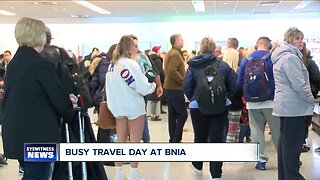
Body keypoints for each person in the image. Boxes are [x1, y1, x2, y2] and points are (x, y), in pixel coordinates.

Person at [1, 17, 78, 180]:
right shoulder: (41, 64)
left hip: (15, 130)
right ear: (39, 35)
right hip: (37, 134)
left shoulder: (14, 64)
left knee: (31, 174)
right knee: (38, 176)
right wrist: (69, 105)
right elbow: (58, 99)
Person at [183, 37, 237, 179]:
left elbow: (186, 86)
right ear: (214, 49)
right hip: (220, 107)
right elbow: (234, 85)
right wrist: (224, 97)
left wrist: (196, 98)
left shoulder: (192, 65)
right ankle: (216, 174)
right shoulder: (223, 65)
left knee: (199, 137)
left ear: (201, 49)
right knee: (217, 139)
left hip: (197, 107)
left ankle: (198, 167)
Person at [106, 35, 156, 180]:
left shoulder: (112, 65)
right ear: (128, 48)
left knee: (120, 141)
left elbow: (108, 87)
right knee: (135, 142)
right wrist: (152, 86)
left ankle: (119, 174)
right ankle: (134, 174)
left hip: (117, 107)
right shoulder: (131, 64)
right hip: (134, 107)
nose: (137, 49)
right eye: (134, 46)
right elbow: (142, 86)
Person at [271, 27, 314, 180]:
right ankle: (292, 177)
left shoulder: (282, 57)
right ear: (289, 40)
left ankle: (285, 176)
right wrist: (312, 100)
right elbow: (299, 85)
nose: (300, 41)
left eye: (301, 38)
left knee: (285, 144)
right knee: (292, 147)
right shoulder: (291, 58)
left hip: (287, 107)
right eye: (297, 38)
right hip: (293, 108)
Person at [238, 36, 280, 170]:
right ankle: (284, 159)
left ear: (257, 45)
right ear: (269, 45)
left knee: (256, 132)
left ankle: (261, 161)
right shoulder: (272, 59)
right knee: (277, 131)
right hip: (271, 102)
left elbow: (239, 82)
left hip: (252, 103)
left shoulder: (246, 59)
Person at [164, 34, 188, 143]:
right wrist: (183, 81)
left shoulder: (172, 53)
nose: (183, 42)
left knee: (173, 115)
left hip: (170, 88)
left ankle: (173, 138)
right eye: (181, 40)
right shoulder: (175, 54)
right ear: (176, 42)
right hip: (175, 88)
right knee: (183, 114)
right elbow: (172, 70)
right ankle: (176, 138)